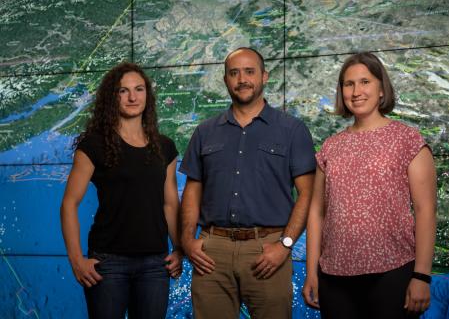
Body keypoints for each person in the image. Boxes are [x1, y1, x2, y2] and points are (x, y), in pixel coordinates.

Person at [180, 47, 316, 319]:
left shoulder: (292, 130)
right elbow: (193, 192)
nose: (242, 79)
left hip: (267, 251)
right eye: (234, 73)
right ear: (226, 80)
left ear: (264, 76)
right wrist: (186, 240)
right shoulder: (205, 132)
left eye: (249, 71)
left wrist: (285, 245)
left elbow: (307, 194)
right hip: (211, 253)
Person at [302, 52, 437, 319]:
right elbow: (317, 213)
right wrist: (311, 272)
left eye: (365, 82)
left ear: (381, 88)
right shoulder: (331, 146)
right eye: (348, 84)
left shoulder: (407, 140)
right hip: (334, 276)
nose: (356, 91)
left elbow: (425, 210)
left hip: (393, 271)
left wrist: (422, 275)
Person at [60, 62, 183, 319]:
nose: (132, 97)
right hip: (108, 262)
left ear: (147, 95)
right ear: (111, 97)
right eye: (123, 91)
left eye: (138, 89)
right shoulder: (94, 146)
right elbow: (69, 204)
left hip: (154, 264)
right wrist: (76, 260)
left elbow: (170, 203)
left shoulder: (165, 146)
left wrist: (179, 248)